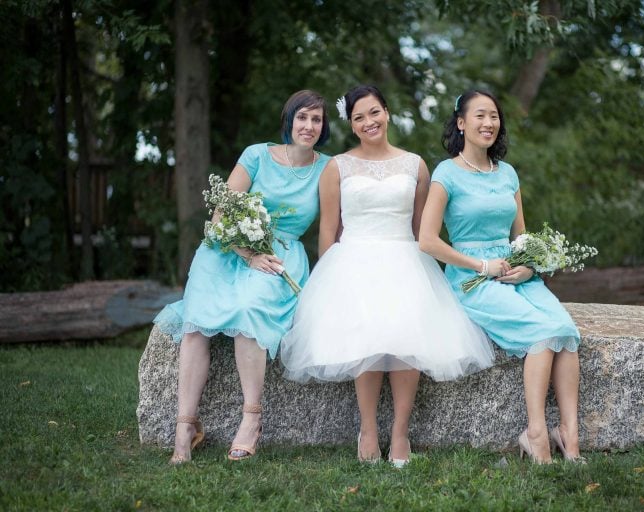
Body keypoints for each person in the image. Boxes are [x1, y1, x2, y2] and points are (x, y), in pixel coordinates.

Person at [280, 85, 494, 467]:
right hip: (353, 260)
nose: (369, 122)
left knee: (407, 335)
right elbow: (328, 232)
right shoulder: (337, 167)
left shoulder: (415, 165)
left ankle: (400, 431)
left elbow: (419, 229)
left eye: (374, 112)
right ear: (351, 124)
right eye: (359, 117)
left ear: (387, 113)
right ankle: (367, 429)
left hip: (403, 257)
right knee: (366, 337)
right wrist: (331, 285)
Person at [153, 90, 332, 464]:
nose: (309, 126)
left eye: (316, 120)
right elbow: (220, 216)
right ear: (289, 120)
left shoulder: (327, 168)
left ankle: (252, 420)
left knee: (249, 310)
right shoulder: (256, 155)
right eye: (302, 117)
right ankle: (184, 425)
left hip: (280, 256)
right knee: (196, 322)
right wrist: (247, 254)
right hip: (229, 249)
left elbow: (332, 228)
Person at [419, 90, 583, 464]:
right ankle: (535, 433)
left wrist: (529, 265)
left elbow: (519, 235)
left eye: (493, 116)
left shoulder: (507, 173)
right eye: (479, 115)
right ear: (461, 123)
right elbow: (426, 241)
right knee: (541, 334)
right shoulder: (446, 173)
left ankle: (570, 437)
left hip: (514, 272)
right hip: (471, 276)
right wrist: (482, 267)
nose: (488, 123)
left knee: (565, 331)